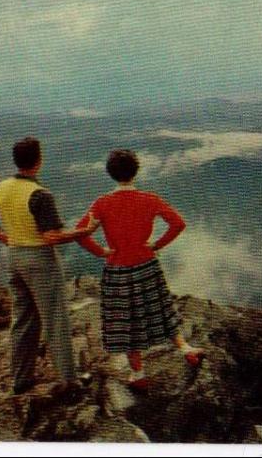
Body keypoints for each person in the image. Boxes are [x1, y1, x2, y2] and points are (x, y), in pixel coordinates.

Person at [0, 137, 99, 395]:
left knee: (22, 319)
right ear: (39, 160)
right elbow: (51, 237)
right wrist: (86, 231)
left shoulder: (3, 187)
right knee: (55, 319)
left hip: (14, 257)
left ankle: (21, 379)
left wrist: (5, 238)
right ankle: (70, 381)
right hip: (40, 260)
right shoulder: (40, 195)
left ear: (16, 161)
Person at [76, 149, 203, 392]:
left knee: (127, 322)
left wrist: (101, 251)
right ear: (136, 171)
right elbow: (178, 224)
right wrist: (156, 245)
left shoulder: (102, 204)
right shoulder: (150, 199)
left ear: (110, 174)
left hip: (118, 269)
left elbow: (80, 235)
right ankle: (186, 349)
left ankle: (139, 374)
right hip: (147, 264)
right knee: (160, 308)